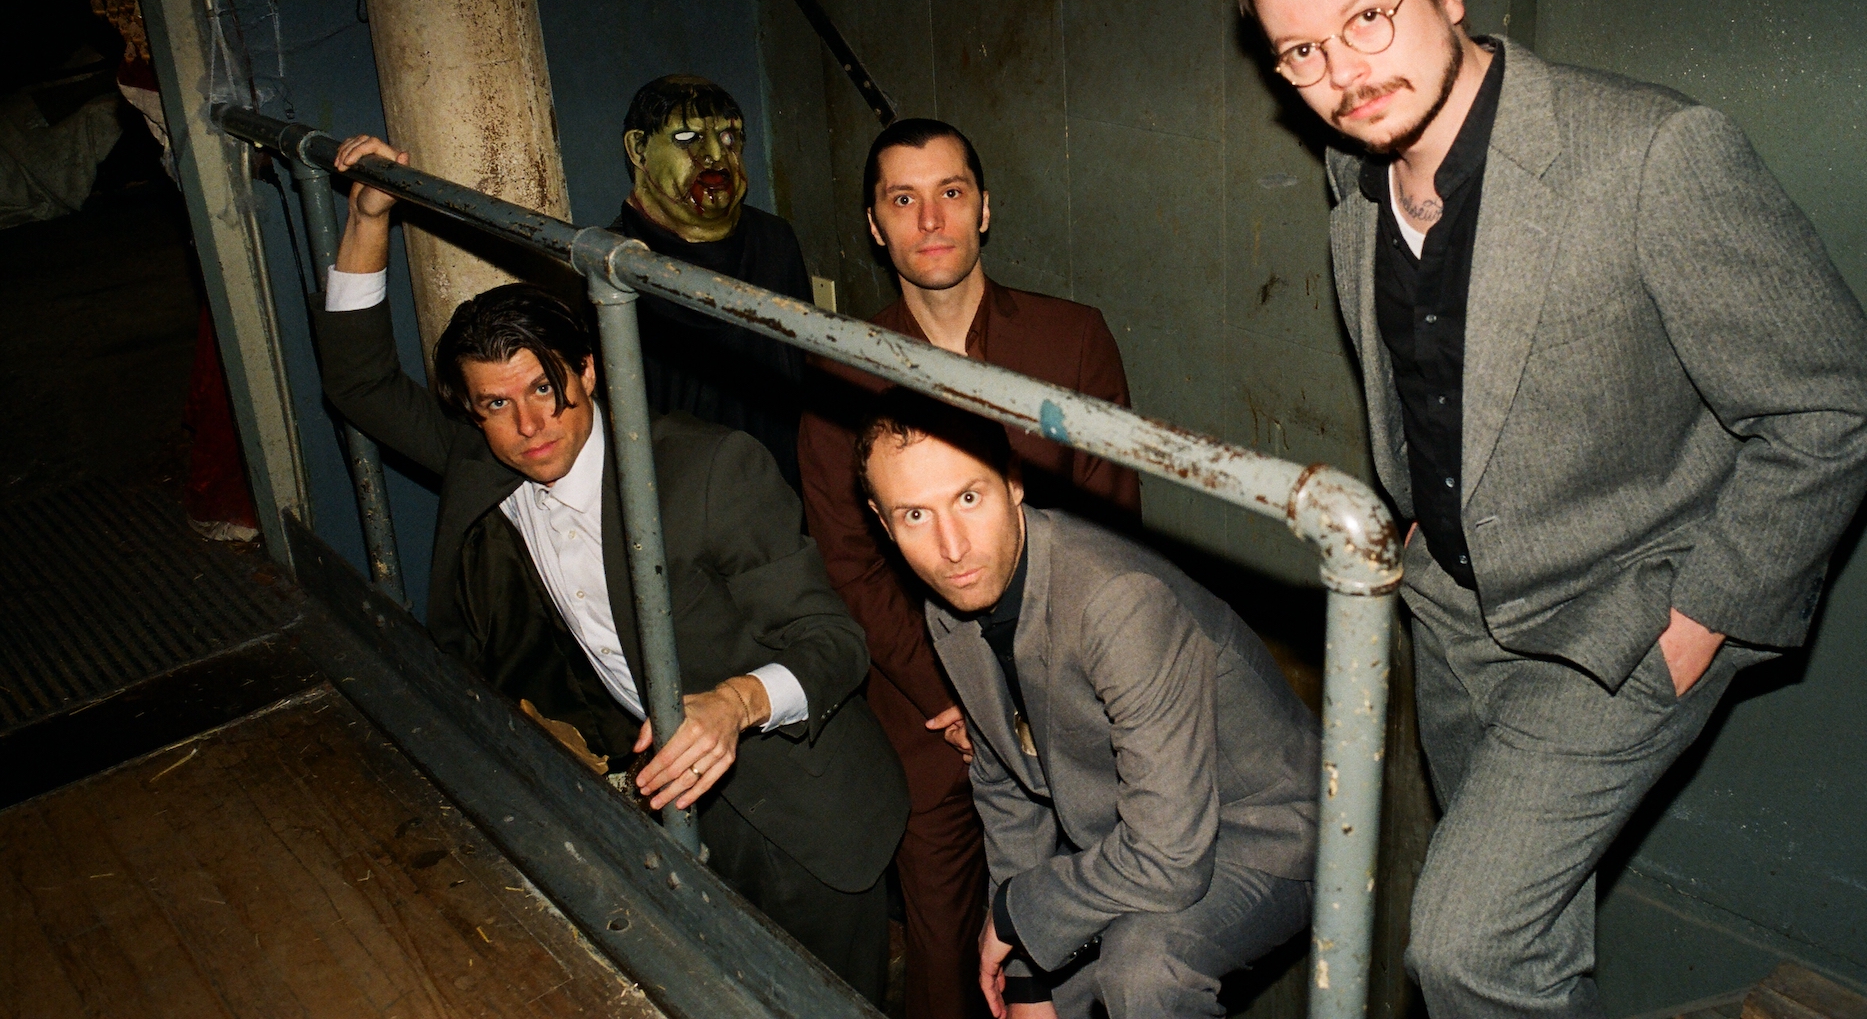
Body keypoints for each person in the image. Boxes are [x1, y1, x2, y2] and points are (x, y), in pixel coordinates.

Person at [1236, 0, 1867, 1019]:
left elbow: (1835, 403)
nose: (1341, 73)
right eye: (1300, 51)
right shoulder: (1353, 183)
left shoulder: (1650, 156)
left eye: (1365, 18)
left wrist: (1698, 621)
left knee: (1464, 949)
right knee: (1522, 953)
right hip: (1450, 620)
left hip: (1620, 622)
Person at [313, 135, 908, 1000]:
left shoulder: (708, 470)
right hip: (661, 802)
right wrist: (371, 214)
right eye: (495, 405)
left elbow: (834, 643)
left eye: (544, 387)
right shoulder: (487, 464)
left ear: (589, 369)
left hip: (801, 808)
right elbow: (358, 384)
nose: (529, 426)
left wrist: (736, 704)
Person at [795, 118, 1141, 1019]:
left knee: (1098, 937)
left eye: (950, 193)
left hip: (1067, 685)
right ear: (875, 226)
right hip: (929, 701)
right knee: (945, 947)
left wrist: (1036, 686)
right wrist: (950, 690)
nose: (930, 220)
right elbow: (847, 556)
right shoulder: (841, 366)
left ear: (984, 208)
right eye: (902, 199)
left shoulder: (1072, 340)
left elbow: (1113, 525)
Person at [857, 394, 1318, 1019]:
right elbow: (1006, 786)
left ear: (1013, 482)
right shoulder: (951, 603)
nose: (952, 547)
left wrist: (1015, 913)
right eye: (915, 514)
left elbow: (1169, 860)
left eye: (968, 497)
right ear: (884, 524)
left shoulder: (1116, 602)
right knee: (1047, 992)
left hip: (1265, 828)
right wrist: (1026, 980)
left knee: (1142, 967)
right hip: (1139, 834)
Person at [617, 75, 813, 489]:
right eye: (687, 138)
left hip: (781, 491)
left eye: (728, 137)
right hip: (677, 500)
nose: (714, 156)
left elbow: (805, 382)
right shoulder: (611, 265)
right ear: (639, 149)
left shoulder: (774, 242)